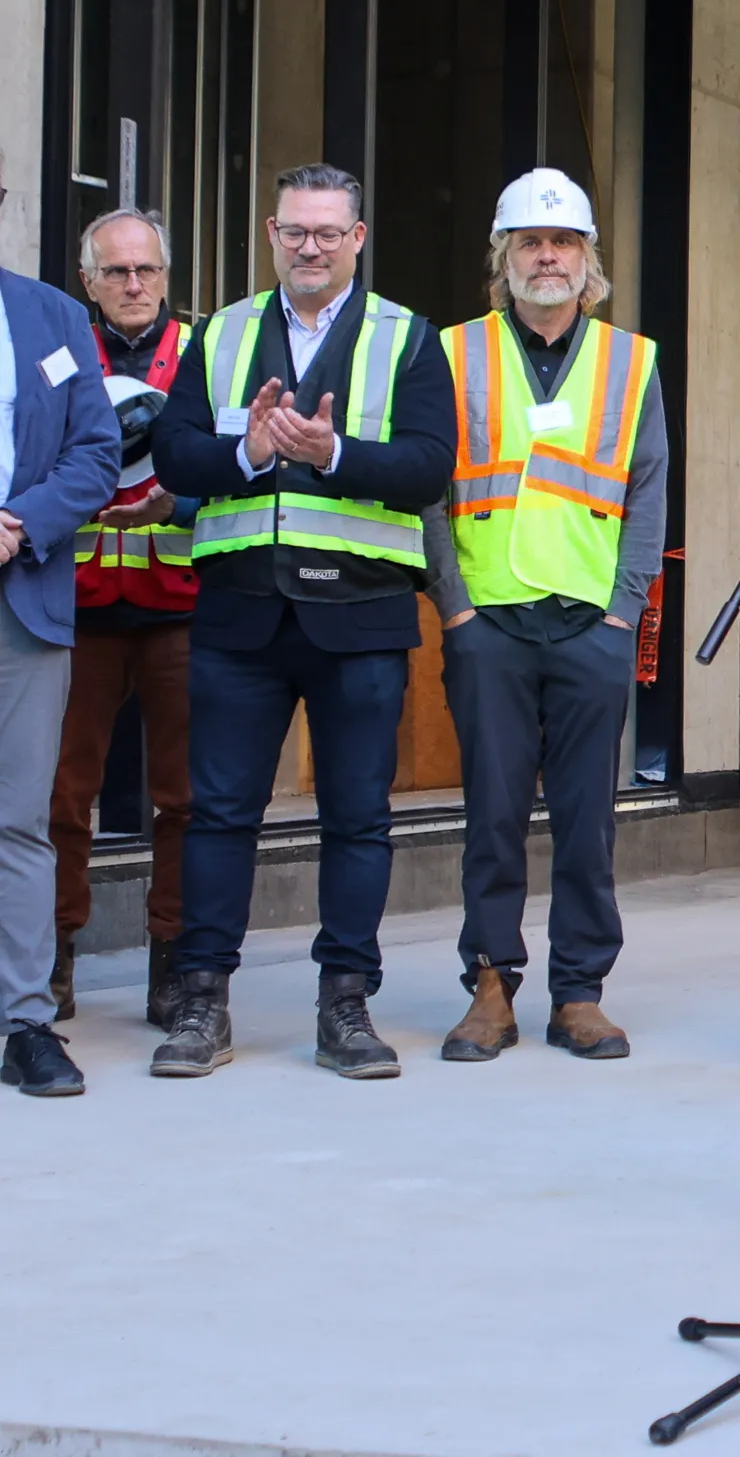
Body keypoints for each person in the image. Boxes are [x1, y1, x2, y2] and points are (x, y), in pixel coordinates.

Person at [148, 162, 456, 1081]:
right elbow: (175, 449)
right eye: (294, 231)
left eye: (328, 231)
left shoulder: (407, 339)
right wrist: (244, 449)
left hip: (359, 616)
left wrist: (334, 453)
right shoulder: (224, 332)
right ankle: (202, 1000)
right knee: (219, 815)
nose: (310, 246)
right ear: (271, 236)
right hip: (241, 614)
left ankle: (346, 1006)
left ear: (358, 238)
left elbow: (429, 468)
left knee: (358, 820)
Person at [421, 169, 667, 1063]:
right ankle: (491, 984)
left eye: (563, 243)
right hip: (488, 619)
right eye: (530, 243)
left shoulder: (630, 360)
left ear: (588, 260)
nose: (548, 257)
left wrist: (622, 614)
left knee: (587, 818)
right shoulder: (452, 353)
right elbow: (430, 492)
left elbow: (648, 495)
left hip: (589, 622)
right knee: (490, 812)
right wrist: (454, 608)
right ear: (505, 258)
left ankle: (580, 992)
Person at [51, 208, 198, 1030]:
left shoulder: (207, 356)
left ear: (166, 276)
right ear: (89, 281)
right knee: (60, 797)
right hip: (75, 609)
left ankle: (173, 965)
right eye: (115, 271)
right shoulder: (60, 356)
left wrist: (186, 498)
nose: (133, 284)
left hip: (181, 608)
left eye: (146, 270)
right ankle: (54, 953)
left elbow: (233, 460)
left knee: (184, 801)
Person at [0, 158, 125, 1098]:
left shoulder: (52, 318)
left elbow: (95, 454)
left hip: (23, 597)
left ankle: (24, 1024)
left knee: (20, 823)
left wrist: (19, 523)